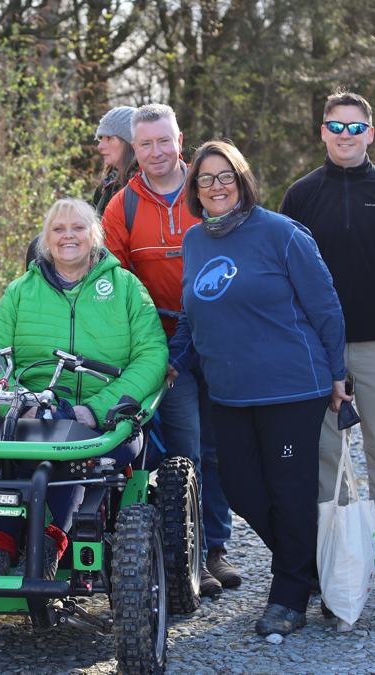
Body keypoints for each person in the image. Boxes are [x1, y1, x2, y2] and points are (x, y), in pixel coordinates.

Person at [170, 140, 348, 636]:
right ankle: (312, 567)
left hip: (292, 387)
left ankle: (288, 597)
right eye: (206, 179)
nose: (217, 186)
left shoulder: (282, 234)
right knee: (244, 490)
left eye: (226, 176)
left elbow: (326, 306)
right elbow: (190, 315)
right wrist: (171, 363)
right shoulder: (196, 241)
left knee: (290, 493)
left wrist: (338, 374)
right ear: (195, 190)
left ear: (243, 181)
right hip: (228, 391)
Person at [279, 91, 375, 595]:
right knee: (327, 456)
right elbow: (285, 276)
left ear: (370, 133)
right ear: (322, 132)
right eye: (335, 126)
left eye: (354, 127)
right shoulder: (300, 196)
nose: (345, 135)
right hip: (319, 350)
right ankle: (338, 557)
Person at [0, 198, 168, 577]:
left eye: (77, 227)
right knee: (5, 457)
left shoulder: (126, 288)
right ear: (46, 240)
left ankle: (48, 543)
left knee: (71, 458)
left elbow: (152, 356)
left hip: (103, 421)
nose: (68, 236)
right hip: (29, 414)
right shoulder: (21, 291)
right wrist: (12, 403)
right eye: (58, 229)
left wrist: (93, 409)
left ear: (94, 235)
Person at [102, 104, 241, 597]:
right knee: (187, 450)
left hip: (222, 338)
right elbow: (114, 284)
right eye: (145, 144)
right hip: (165, 349)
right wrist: (141, 350)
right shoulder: (123, 206)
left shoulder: (210, 189)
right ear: (133, 150)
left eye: (164, 141)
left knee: (220, 446)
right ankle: (191, 557)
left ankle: (218, 547)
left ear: (180, 140)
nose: (156, 152)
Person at [24, 105, 139, 265]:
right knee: (39, 247)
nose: (100, 146)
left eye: (109, 138)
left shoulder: (139, 187)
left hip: (116, 261)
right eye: (100, 139)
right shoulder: (108, 183)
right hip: (100, 249)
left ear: (130, 143)